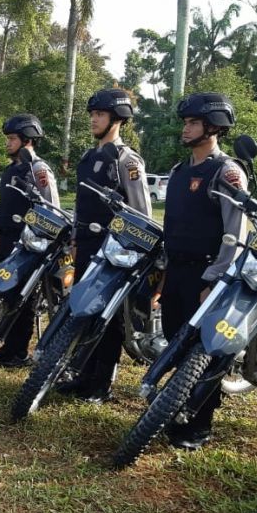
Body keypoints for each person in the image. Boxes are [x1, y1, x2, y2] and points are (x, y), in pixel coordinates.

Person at [161, 92, 246, 450]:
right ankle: (174, 409)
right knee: (175, 341)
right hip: (177, 271)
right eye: (185, 122)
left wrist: (215, 281)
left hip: (206, 276)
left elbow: (236, 234)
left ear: (213, 127)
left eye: (193, 122)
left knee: (204, 353)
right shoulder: (181, 172)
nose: (186, 128)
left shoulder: (226, 172)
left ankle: (199, 423)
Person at [59, 88, 151, 403]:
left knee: (107, 319)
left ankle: (101, 384)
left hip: (114, 252)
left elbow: (141, 212)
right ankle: (82, 375)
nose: (94, 120)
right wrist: (73, 238)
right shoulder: (89, 157)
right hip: (85, 245)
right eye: (93, 115)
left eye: (99, 115)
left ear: (116, 119)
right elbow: (81, 206)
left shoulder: (127, 160)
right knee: (83, 310)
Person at [0, 114, 59, 367]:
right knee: (7, 295)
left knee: (24, 298)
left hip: (29, 243)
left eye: (12, 139)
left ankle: (18, 351)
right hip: (8, 238)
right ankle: (7, 346)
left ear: (27, 140)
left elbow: (51, 208)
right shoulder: (11, 168)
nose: (7, 144)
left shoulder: (38, 169)